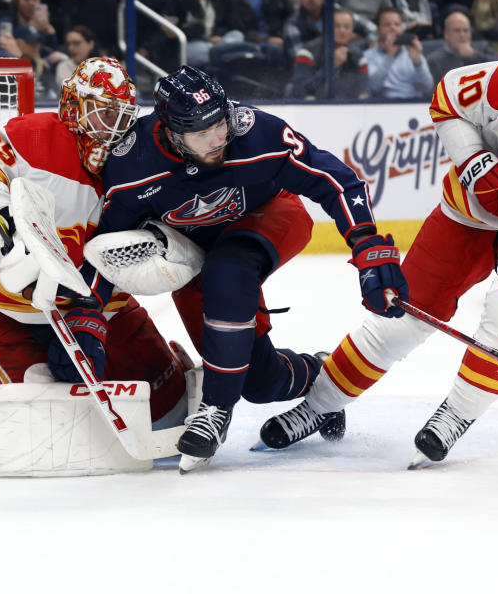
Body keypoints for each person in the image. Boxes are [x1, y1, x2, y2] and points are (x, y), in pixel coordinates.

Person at [257, 32, 498, 468]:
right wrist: (476, 163)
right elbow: (447, 99)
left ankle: (455, 416)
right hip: (469, 212)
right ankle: (318, 405)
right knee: (403, 316)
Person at [78, 65, 408, 472]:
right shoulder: (132, 166)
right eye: (203, 133)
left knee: (229, 269)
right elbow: (105, 246)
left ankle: (215, 411)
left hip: (271, 215)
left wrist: (368, 244)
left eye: (220, 123)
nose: (219, 138)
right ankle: (321, 373)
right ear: (171, 133)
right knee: (257, 381)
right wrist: (85, 313)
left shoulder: (255, 132)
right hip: (193, 254)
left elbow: (337, 181)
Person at [0, 57, 189, 429]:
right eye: (101, 114)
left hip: (104, 307)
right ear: (72, 106)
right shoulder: (33, 136)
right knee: (50, 425)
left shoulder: (138, 162)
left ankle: (171, 364)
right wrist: (7, 218)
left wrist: (91, 314)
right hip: (8, 308)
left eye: (121, 118)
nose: (112, 131)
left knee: (170, 410)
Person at [290, 8, 370, 98]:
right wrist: (331, 66)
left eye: (347, 27)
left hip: (347, 108)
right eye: (337, 26)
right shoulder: (307, 52)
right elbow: (299, 89)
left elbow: (364, 90)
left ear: (352, 32)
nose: (342, 31)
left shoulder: (358, 56)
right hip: (315, 108)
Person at [363, 6, 433, 98]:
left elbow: (427, 88)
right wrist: (389, 56)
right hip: (382, 106)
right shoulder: (368, 56)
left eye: (397, 24)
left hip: (412, 104)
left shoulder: (412, 52)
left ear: (402, 28)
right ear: (378, 30)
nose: (393, 28)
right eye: (387, 25)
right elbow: (373, 88)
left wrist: (417, 63)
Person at [428, 10, 498, 80]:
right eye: (457, 30)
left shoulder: (484, 48)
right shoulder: (435, 60)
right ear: (446, 34)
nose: (462, 35)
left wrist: (474, 55)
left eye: (465, 30)